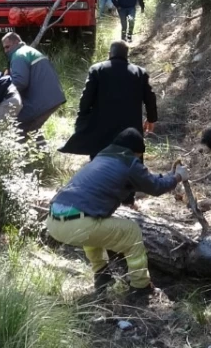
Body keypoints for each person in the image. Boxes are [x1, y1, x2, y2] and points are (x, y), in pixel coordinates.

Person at [46, 127, 188, 297]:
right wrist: (178, 177)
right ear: (135, 151)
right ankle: (141, 286)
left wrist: (169, 176)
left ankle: (102, 274)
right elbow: (155, 187)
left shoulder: (102, 157)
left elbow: (145, 180)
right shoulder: (130, 163)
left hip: (54, 220)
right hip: (79, 224)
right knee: (131, 231)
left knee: (94, 227)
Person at [60, 41, 158, 159]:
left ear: (109, 54)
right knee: (131, 167)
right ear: (127, 55)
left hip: (101, 132)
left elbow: (86, 98)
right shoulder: (140, 73)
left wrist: (82, 119)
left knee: (99, 167)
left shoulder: (97, 70)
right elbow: (150, 98)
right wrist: (151, 119)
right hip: (131, 132)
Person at [2, 32, 66, 136]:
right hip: (52, 98)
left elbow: (20, 82)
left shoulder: (18, 55)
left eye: (7, 47)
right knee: (33, 129)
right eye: (4, 48)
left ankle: (22, 152)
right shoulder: (28, 51)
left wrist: (3, 86)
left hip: (41, 101)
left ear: (16, 42)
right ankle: (43, 151)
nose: (6, 51)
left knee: (18, 127)